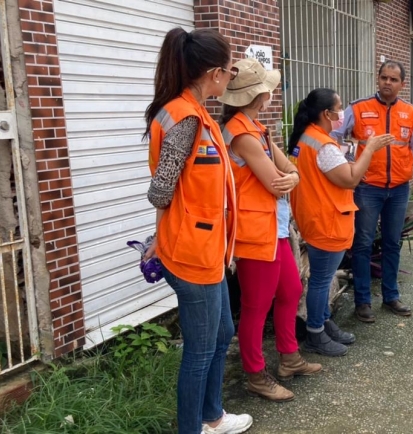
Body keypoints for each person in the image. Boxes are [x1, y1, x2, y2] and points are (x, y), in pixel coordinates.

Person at [143, 28, 252, 434]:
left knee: (222, 332)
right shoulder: (186, 119)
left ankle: (213, 416)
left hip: (209, 251)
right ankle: (193, 427)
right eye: (230, 69)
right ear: (214, 73)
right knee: (201, 350)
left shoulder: (200, 114)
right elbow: (162, 190)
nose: (232, 76)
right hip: (192, 253)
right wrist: (165, 234)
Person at [218, 59, 321, 402]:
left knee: (291, 290)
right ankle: (255, 375)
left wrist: (290, 178)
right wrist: (290, 179)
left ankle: (289, 358)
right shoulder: (241, 133)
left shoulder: (256, 127)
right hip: (253, 230)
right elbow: (280, 182)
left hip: (271, 227)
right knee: (255, 306)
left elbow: (289, 171)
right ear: (260, 95)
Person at [290, 88, 393, 356]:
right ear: (327, 113)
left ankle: (323, 322)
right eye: (339, 108)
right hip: (327, 222)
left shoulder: (307, 138)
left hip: (315, 218)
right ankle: (315, 333)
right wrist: (369, 149)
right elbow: (350, 178)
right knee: (321, 281)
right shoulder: (324, 146)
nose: (343, 113)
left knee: (320, 279)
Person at [332, 61, 413, 323]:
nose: (387, 83)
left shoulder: (411, 112)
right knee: (362, 243)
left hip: (398, 189)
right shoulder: (358, 108)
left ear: (402, 84)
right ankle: (362, 301)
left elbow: (412, 148)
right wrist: (347, 163)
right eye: (384, 77)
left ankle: (391, 296)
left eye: (394, 79)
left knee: (393, 243)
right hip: (367, 187)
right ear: (377, 79)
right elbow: (336, 136)